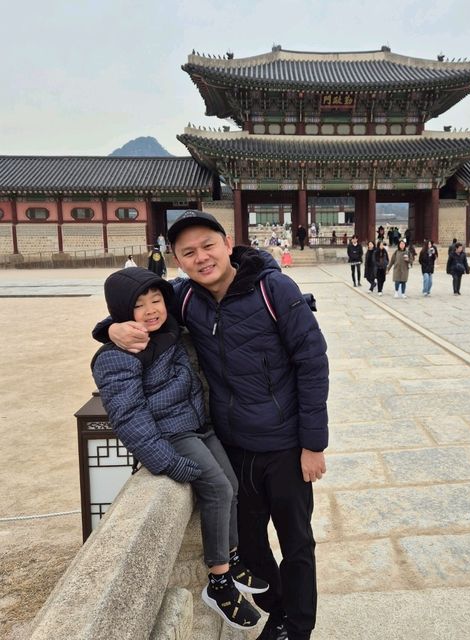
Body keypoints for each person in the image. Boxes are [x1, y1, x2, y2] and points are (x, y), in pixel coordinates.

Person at [94, 211, 329, 640]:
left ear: (227, 243)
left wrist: (313, 444)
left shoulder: (275, 289)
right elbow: (145, 310)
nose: (201, 258)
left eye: (208, 246)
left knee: (297, 543)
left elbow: (312, 363)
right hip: (232, 444)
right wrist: (111, 330)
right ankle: (274, 612)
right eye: (188, 252)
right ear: (178, 261)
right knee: (251, 545)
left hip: (285, 445)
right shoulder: (186, 299)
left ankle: (297, 627)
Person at [91, 267, 266, 630]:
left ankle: (231, 559)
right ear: (123, 311)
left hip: (199, 425)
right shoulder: (117, 356)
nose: (152, 309)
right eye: (139, 306)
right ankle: (218, 583)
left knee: (231, 485)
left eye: (156, 300)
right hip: (172, 435)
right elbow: (128, 416)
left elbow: (181, 289)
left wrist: (105, 325)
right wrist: (166, 461)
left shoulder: (171, 330)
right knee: (217, 488)